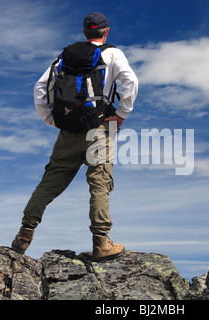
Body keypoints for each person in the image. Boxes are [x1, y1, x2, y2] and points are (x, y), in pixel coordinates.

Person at [11, 12, 138, 262]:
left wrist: (53, 119)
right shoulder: (112, 54)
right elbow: (130, 81)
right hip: (99, 129)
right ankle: (101, 243)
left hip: (67, 131)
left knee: (50, 181)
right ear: (106, 31)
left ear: (84, 32)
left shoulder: (63, 57)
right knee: (99, 181)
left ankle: (24, 234)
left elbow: (40, 88)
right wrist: (121, 114)